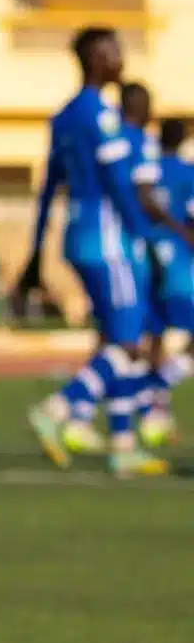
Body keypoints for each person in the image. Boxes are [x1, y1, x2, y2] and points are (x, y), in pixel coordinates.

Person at [18, 29, 168, 478]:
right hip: (109, 239)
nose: (122, 58)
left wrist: (35, 254)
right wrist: (147, 237)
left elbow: (48, 189)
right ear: (98, 59)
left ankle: (122, 446)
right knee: (128, 341)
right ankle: (62, 408)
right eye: (115, 51)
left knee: (117, 338)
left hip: (76, 233)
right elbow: (120, 183)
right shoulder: (101, 114)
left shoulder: (62, 117)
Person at [133, 108, 193, 448]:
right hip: (178, 262)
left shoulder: (149, 171)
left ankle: (155, 416)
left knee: (154, 335)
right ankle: (159, 393)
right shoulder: (188, 173)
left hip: (147, 257)